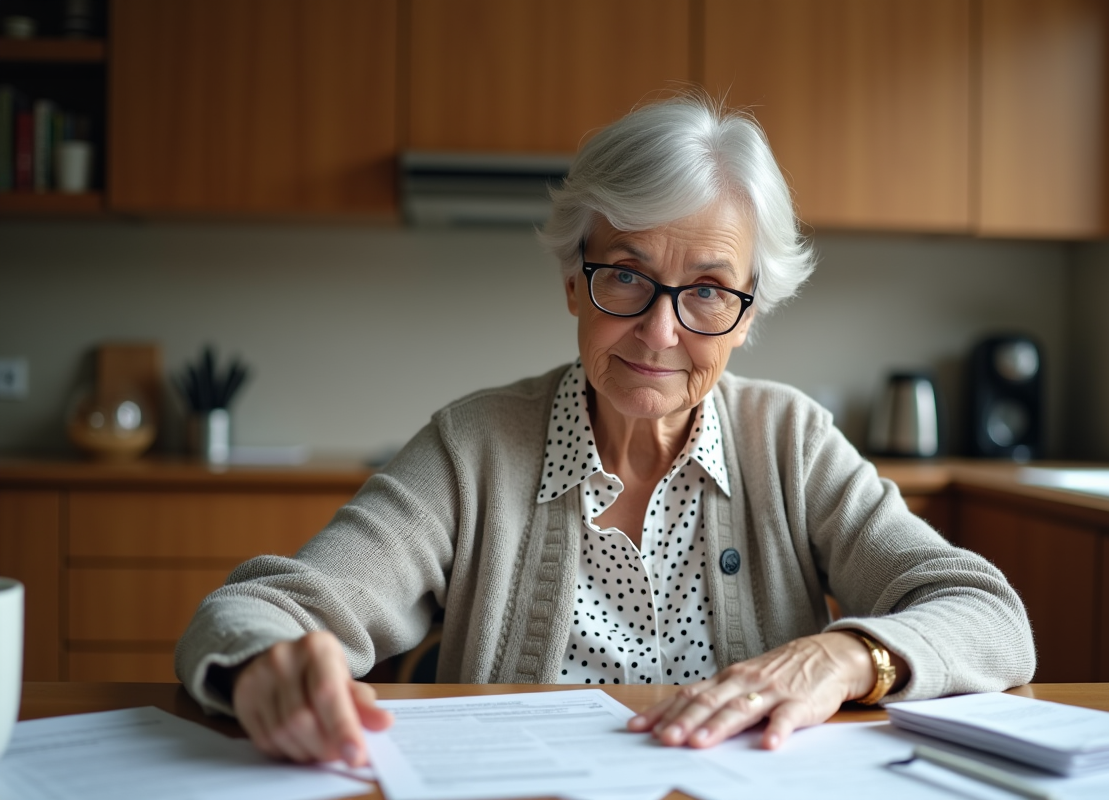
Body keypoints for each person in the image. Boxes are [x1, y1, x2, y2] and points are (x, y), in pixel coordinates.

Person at [176, 93, 1035, 768]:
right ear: (572, 282)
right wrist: (269, 666)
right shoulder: (473, 447)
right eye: (624, 276)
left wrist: (846, 659)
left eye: (706, 290)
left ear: (748, 316)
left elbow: (989, 615)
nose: (660, 333)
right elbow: (254, 610)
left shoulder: (792, 442)